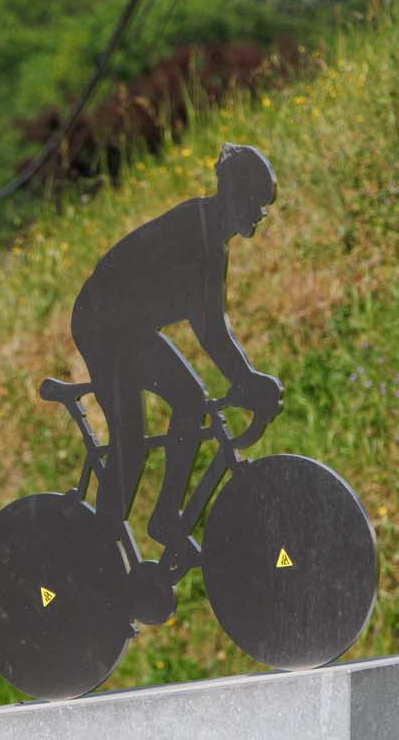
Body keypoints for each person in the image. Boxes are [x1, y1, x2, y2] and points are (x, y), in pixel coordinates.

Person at [69, 143, 282, 607]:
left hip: (131, 327)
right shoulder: (194, 233)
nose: (262, 214)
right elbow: (209, 330)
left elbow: (213, 327)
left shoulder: (213, 241)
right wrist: (247, 380)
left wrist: (246, 379)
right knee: (132, 440)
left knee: (192, 402)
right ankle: (97, 557)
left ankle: (166, 518)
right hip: (103, 323)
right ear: (233, 194)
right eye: (256, 203)